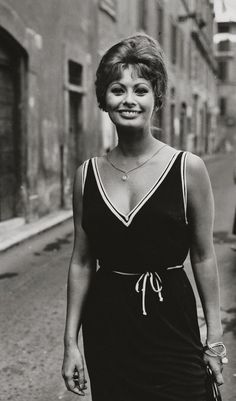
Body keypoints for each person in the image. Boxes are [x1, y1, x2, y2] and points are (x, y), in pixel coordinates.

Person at [62, 33, 227, 401]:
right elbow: (82, 261)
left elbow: (203, 255)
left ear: (157, 97)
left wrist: (214, 336)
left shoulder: (188, 169)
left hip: (173, 325)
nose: (129, 100)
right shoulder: (86, 175)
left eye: (141, 89)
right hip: (109, 332)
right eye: (118, 90)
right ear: (104, 100)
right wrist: (70, 342)